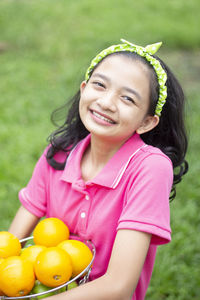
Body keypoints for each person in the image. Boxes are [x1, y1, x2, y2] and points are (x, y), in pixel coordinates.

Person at [8, 39, 188, 300]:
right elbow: (9, 249)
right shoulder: (58, 153)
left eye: (127, 98)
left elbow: (118, 286)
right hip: (43, 289)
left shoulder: (149, 167)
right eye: (100, 85)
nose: (106, 102)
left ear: (147, 122)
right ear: (83, 89)